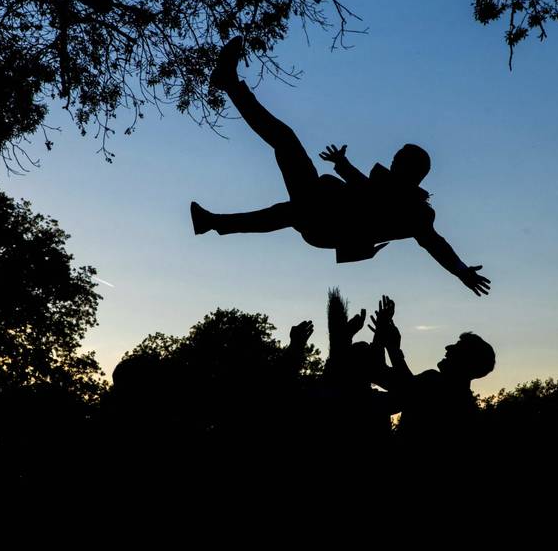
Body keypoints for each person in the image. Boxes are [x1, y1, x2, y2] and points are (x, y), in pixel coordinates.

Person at [191, 37, 491, 297]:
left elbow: (435, 244)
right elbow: (369, 191)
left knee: (289, 174)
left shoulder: (417, 214)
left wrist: (463, 271)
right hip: (323, 208)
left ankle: (228, 84)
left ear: (412, 171)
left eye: (399, 161)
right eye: (395, 158)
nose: (392, 162)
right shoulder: (386, 189)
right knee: (285, 153)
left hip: (329, 227)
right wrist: (343, 165)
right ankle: (211, 220)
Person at [368, 295, 495, 445]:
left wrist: (389, 344)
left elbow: (402, 385)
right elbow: (383, 375)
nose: (448, 347)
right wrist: (384, 339)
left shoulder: (438, 387)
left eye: (458, 346)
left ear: (467, 361)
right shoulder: (463, 403)